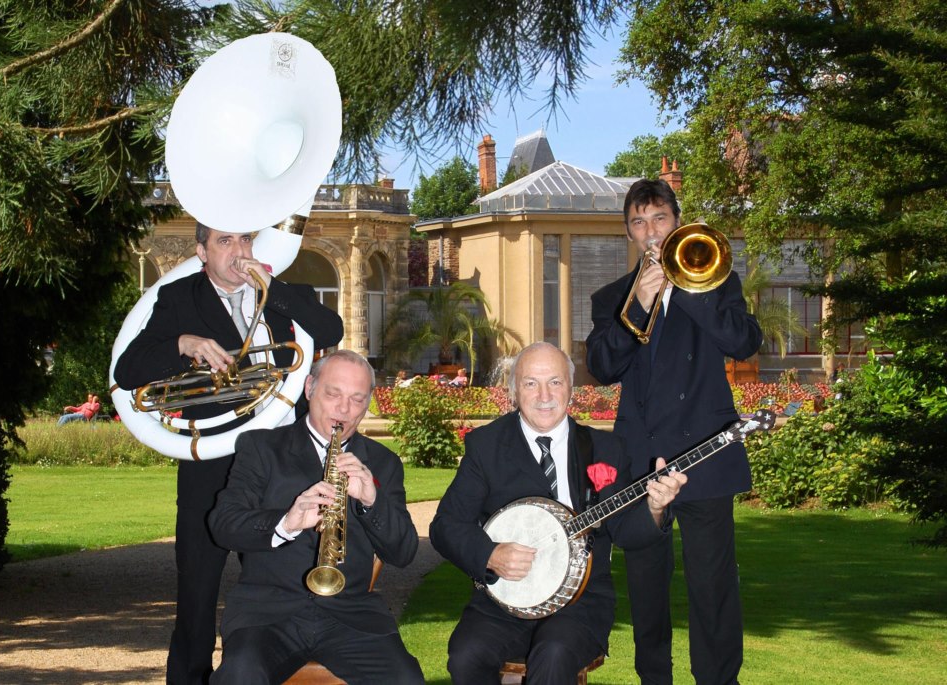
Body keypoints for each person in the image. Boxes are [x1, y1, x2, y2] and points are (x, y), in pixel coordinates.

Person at [113, 222, 344, 685]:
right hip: (211, 468)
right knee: (197, 595)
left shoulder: (281, 291)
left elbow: (330, 328)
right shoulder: (179, 298)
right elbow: (128, 368)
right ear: (202, 251)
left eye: (245, 240)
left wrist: (269, 286)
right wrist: (183, 344)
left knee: (280, 588)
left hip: (282, 469)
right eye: (224, 241)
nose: (238, 251)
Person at [586, 179, 763, 685]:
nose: (650, 232)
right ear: (628, 233)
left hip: (708, 458)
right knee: (647, 591)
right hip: (641, 464)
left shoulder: (715, 280)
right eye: (638, 222)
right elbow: (602, 367)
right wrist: (637, 305)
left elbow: (744, 343)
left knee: (714, 590)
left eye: (659, 219)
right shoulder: (612, 299)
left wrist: (687, 291)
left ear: (677, 222)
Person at [430, 342, 687, 684]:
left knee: (553, 654)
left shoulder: (605, 448)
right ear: (513, 391)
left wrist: (655, 508)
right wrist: (490, 554)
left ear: (571, 390)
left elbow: (625, 531)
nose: (544, 395)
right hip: (504, 602)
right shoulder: (486, 446)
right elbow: (446, 526)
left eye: (555, 382)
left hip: (580, 603)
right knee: (466, 656)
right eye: (530, 383)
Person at [207, 350, 423, 684]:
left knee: (406, 679)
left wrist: (372, 499)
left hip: (351, 616)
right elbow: (223, 525)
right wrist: (286, 523)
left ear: (368, 403)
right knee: (239, 676)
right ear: (309, 388)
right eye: (333, 394)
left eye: (356, 399)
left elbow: (404, 552)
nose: (343, 409)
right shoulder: (262, 448)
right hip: (267, 614)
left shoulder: (382, 463)